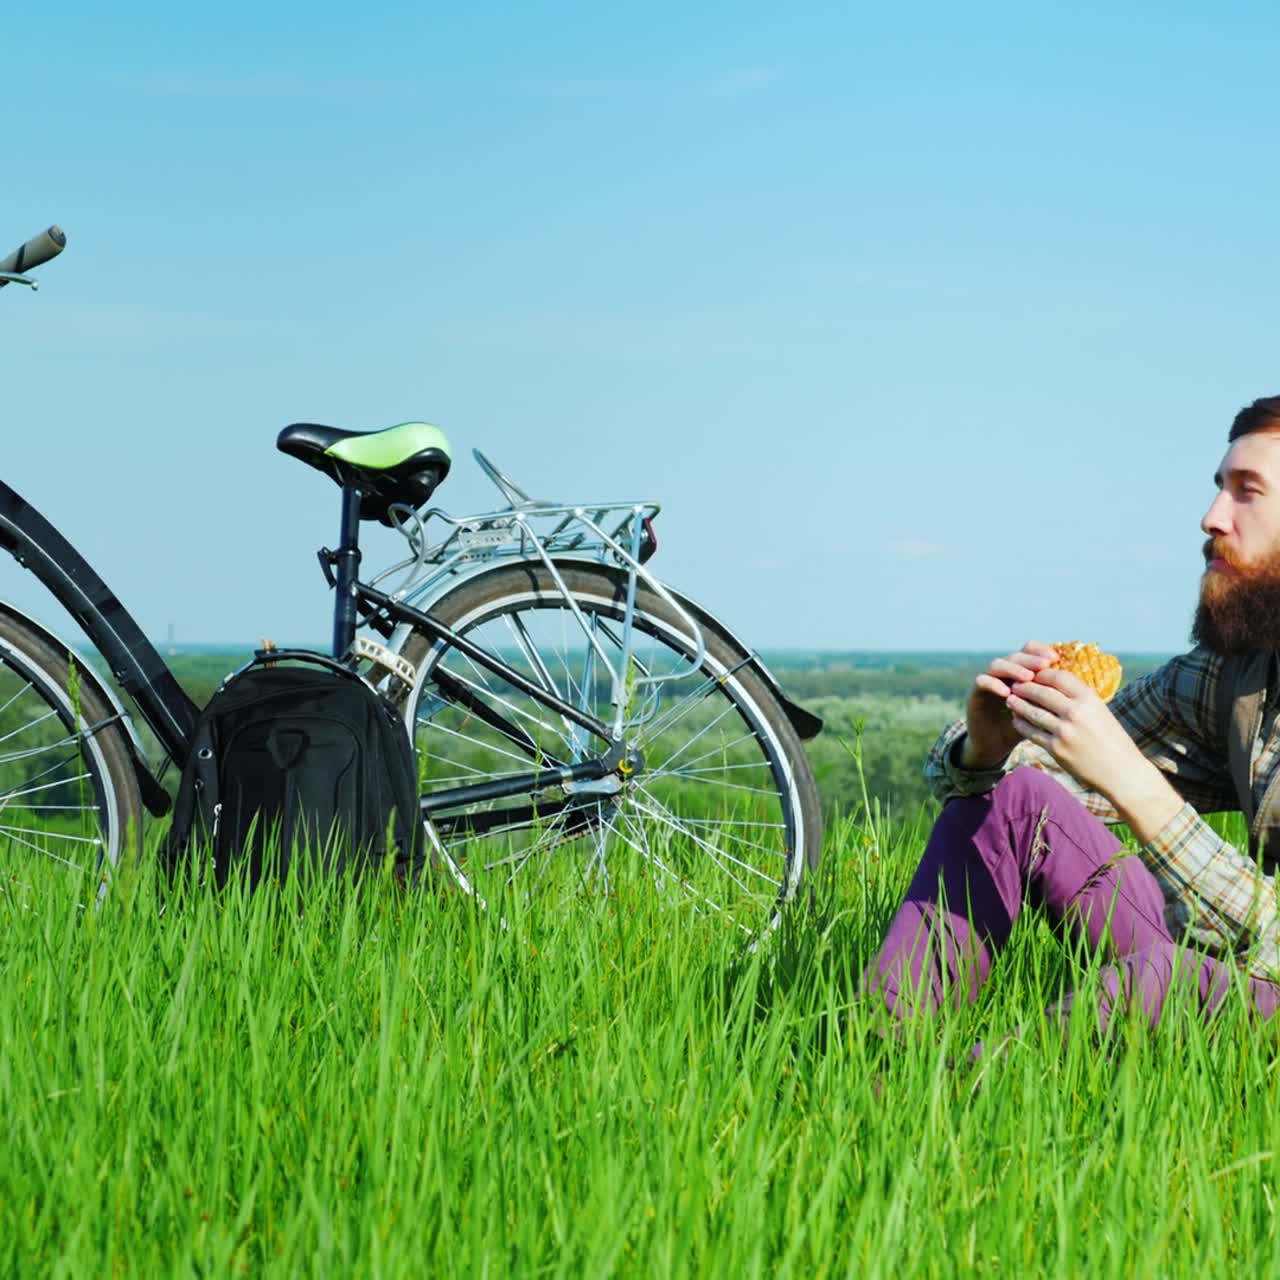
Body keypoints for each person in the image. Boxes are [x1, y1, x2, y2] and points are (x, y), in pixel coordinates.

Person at [861, 395, 1280, 1036]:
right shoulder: (1232, 675)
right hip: (1242, 968)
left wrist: (1138, 787)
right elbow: (1006, 782)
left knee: (1167, 977)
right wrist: (988, 746)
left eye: (1246, 492)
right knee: (1018, 798)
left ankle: (955, 1106)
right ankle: (877, 1051)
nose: (1211, 517)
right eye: (1218, 488)